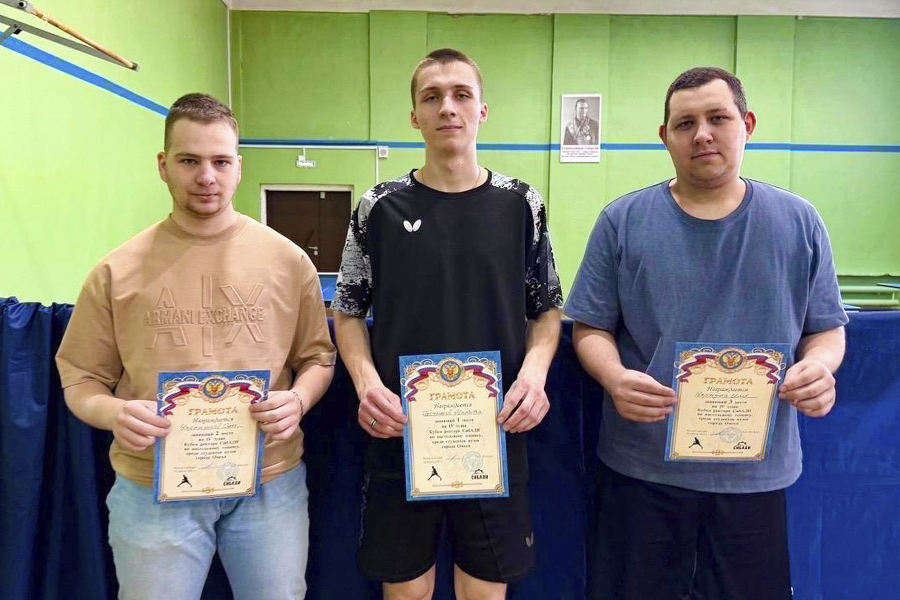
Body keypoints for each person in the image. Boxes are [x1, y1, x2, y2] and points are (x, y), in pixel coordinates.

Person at [565, 67, 847, 600]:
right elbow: (590, 327)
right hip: (642, 471)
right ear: (664, 136)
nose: (702, 135)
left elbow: (826, 329)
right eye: (685, 124)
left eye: (718, 118)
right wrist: (615, 377)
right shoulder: (621, 221)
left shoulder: (800, 222)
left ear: (747, 124)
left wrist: (819, 367)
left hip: (755, 473)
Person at [55, 93, 336, 600]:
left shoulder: (289, 262)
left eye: (220, 161)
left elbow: (317, 358)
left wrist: (298, 400)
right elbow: (80, 379)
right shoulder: (116, 271)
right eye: (189, 161)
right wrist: (114, 413)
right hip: (151, 486)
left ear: (239, 167)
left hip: (270, 483)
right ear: (163, 165)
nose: (206, 177)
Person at [331, 48, 562, 600]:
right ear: (414, 115)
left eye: (461, 94)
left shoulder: (521, 203)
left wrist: (534, 375)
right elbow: (347, 311)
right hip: (401, 430)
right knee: (406, 588)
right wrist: (367, 384)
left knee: (484, 589)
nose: (447, 107)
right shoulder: (378, 205)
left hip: (495, 430)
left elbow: (547, 308)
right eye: (431, 97)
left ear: (483, 110)